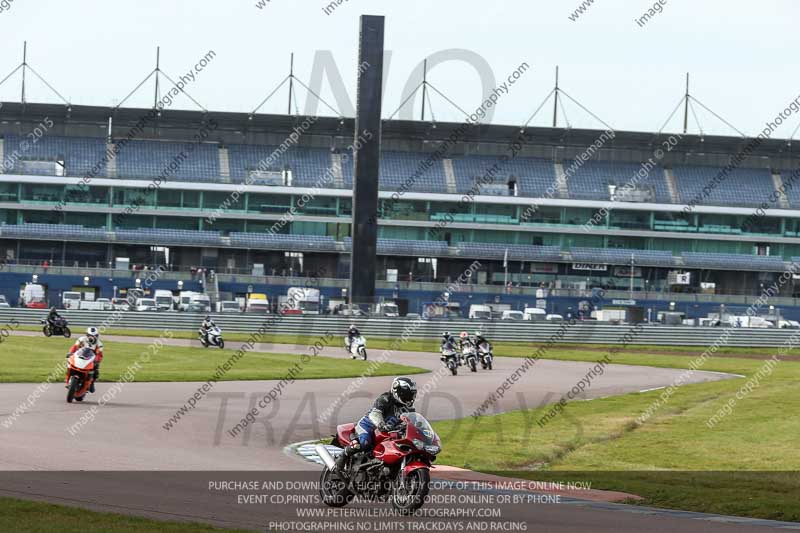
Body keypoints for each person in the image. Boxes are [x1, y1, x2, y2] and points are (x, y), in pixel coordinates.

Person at [335, 377, 417, 472]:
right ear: (398, 392)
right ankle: (343, 455)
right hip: (368, 426)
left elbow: (412, 421)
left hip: (388, 431)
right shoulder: (385, 399)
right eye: (407, 395)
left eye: (411, 395)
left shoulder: (408, 408)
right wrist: (381, 425)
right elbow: (375, 414)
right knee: (364, 443)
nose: (410, 398)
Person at [67, 327, 104, 393]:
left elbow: (99, 354)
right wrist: (70, 353)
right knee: (69, 362)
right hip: (79, 356)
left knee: (96, 369)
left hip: (91, 359)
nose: (92, 337)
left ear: (97, 336)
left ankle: (92, 383)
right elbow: (75, 347)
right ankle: (68, 377)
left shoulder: (99, 344)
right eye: (90, 335)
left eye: (94, 336)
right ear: (87, 335)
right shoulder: (81, 339)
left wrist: (96, 360)